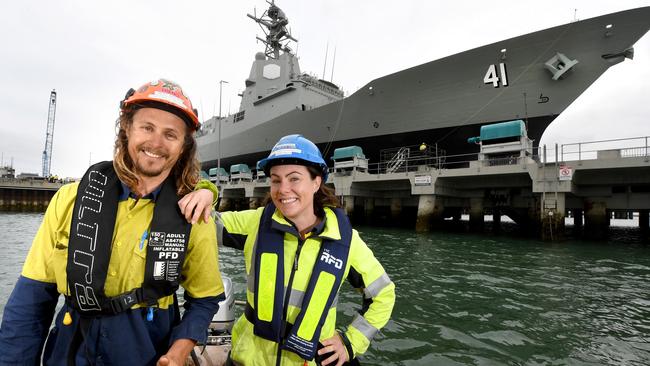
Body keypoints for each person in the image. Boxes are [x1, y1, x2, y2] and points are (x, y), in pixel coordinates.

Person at [0, 79, 225, 366]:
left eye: (170, 134)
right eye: (147, 127)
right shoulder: (69, 199)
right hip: (70, 351)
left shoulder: (193, 215)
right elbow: (31, 300)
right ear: (127, 129)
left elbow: (204, 299)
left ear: (183, 146)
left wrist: (178, 353)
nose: (156, 143)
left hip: (147, 353)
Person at [184, 134, 396, 365]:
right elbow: (200, 222)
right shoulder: (254, 224)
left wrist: (350, 342)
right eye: (276, 180)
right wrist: (207, 192)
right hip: (249, 359)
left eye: (294, 179)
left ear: (316, 182)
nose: (283, 189)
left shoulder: (346, 242)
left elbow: (383, 294)